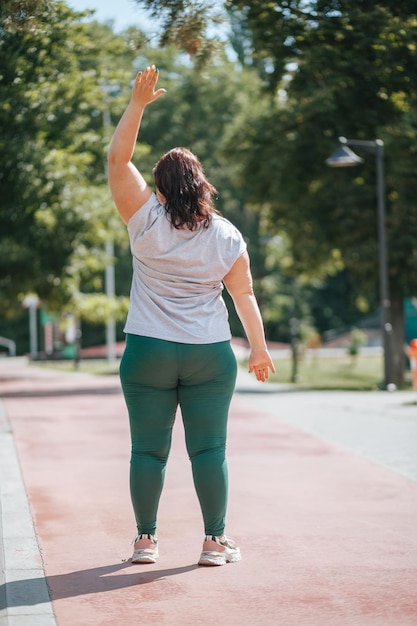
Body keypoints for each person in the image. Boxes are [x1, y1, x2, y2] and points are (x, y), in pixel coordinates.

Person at [107, 65, 275, 567]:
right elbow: (244, 297)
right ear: (202, 185)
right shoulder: (227, 236)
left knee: (147, 452)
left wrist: (136, 105)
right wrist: (261, 350)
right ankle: (214, 543)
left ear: (158, 188)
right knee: (209, 451)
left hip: (147, 352)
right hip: (208, 355)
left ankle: (144, 541)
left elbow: (117, 158)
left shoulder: (143, 218)